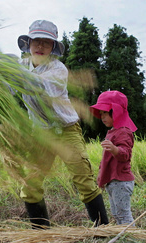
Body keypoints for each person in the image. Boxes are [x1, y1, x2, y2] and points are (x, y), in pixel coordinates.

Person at [15, 20, 108, 228]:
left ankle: (103, 228)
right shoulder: (20, 66)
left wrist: (13, 74)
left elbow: (40, 86)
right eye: (36, 41)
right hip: (41, 134)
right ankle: (41, 233)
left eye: (46, 43)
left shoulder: (58, 69)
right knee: (30, 184)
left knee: (83, 178)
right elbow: (7, 86)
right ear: (28, 43)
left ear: (53, 48)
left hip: (66, 130)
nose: (40, 46)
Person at [90, 91, 137, 225]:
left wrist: (115, 149)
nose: (102, 117)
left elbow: (125, 154)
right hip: (113, 181)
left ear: (116, 111)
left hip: (121, 182)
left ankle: (131, 237)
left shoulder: (124, 131)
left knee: (123, 214)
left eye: (105, 113)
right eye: (101, 113)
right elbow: (107, 161)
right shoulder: (113, 131)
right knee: (116, 213)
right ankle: (123, 236)